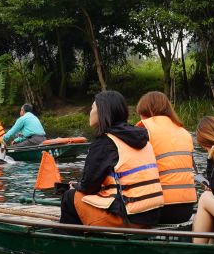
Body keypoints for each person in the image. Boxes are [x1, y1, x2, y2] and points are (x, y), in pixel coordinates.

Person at [63, 90, 184, 228]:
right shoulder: (143, 138)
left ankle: (72, 242)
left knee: (70, 196)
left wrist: (76, 186)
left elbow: (88, 187)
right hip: (153, 215)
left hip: (128, 218)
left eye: (92, 108)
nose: (90, 112)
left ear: (103, 112)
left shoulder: (105, 142)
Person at [135, 91, 197, 220]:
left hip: (160, 208)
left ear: (146, 112)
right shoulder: (184, 132)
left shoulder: (145, 130)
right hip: (187, 208)